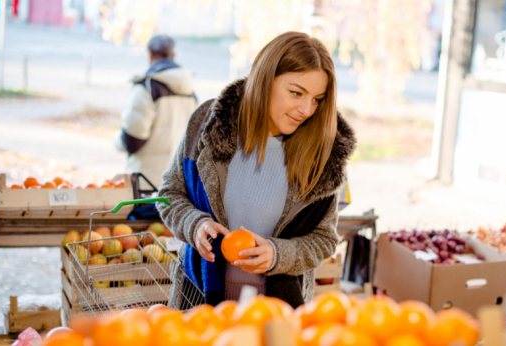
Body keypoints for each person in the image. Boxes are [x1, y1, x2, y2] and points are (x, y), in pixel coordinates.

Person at [157, 31, 356, 308]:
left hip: (276, 312)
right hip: (199, 302)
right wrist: (195, 224)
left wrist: (278, 255)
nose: (306, 110)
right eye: (296, 93)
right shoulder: (207, 123)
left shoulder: (324, 154)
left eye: (316, 99)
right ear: (264, 79)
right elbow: (169, 194)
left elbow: (324, 240)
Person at [114, 34, 198, 188]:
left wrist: (117, 141)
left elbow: (132, 141)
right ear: (173, 55)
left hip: (146, 185)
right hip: (177, 185)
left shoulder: (146, 88)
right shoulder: (190, 92)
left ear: (149, 54)